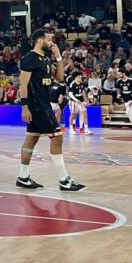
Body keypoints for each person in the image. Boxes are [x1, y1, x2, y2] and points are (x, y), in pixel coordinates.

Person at [15, 29, 85, 192]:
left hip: (43, 105)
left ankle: (23, 177)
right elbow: (23, 84)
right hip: (38, 107)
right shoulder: (29, 59)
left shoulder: (45, 59)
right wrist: (24, 107)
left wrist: (58, 57)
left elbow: (60, 77)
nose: (52, 42)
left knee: (30, 141)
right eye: (49, 40)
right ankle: (64, 180)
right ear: (39, 41)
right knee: (57, 138)